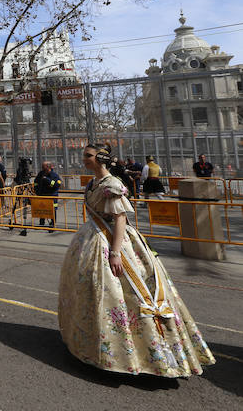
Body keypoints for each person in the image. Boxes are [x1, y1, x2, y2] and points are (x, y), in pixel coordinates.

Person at [58, 144, 215, 376]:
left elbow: (120, 219)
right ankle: (96, 343)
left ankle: (144, 353)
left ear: (100, 159)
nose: (84, 159)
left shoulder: (112, 185)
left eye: (88, 156)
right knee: (94, 293)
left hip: (113, 242)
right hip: (93, 238)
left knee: (126, 293)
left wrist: (115, 252)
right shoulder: (93, 183)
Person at [33, 161, 61, 230]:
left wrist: (47, 180)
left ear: (48, 167)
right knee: (42, 209)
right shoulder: (41, 174)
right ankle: (41, 223)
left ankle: (53, 223)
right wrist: (36, 190)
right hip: (42, 195)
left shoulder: (54, 175)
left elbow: (56, 185)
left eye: (43, 167)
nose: (42, 168)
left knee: (52, 210)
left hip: (51, 196)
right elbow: (36, 182)